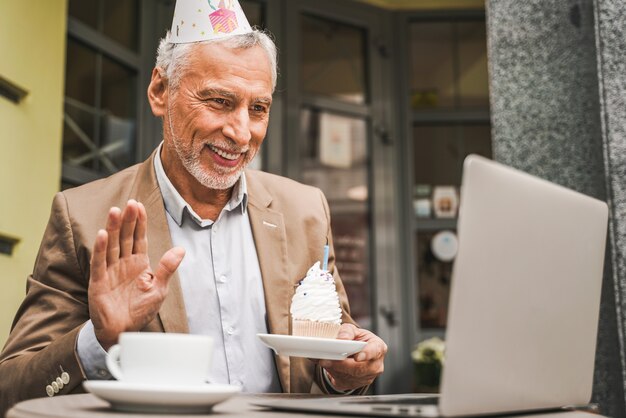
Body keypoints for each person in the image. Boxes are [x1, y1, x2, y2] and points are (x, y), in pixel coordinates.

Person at [0, 0, 386, 414]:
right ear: (160, 91)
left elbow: (330, 360)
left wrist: (343, 373)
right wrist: (100, 339)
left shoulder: (304, 211)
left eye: (258, 108)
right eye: (219, 101)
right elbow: (12, 389)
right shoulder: (82, 216)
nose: (241, 133)